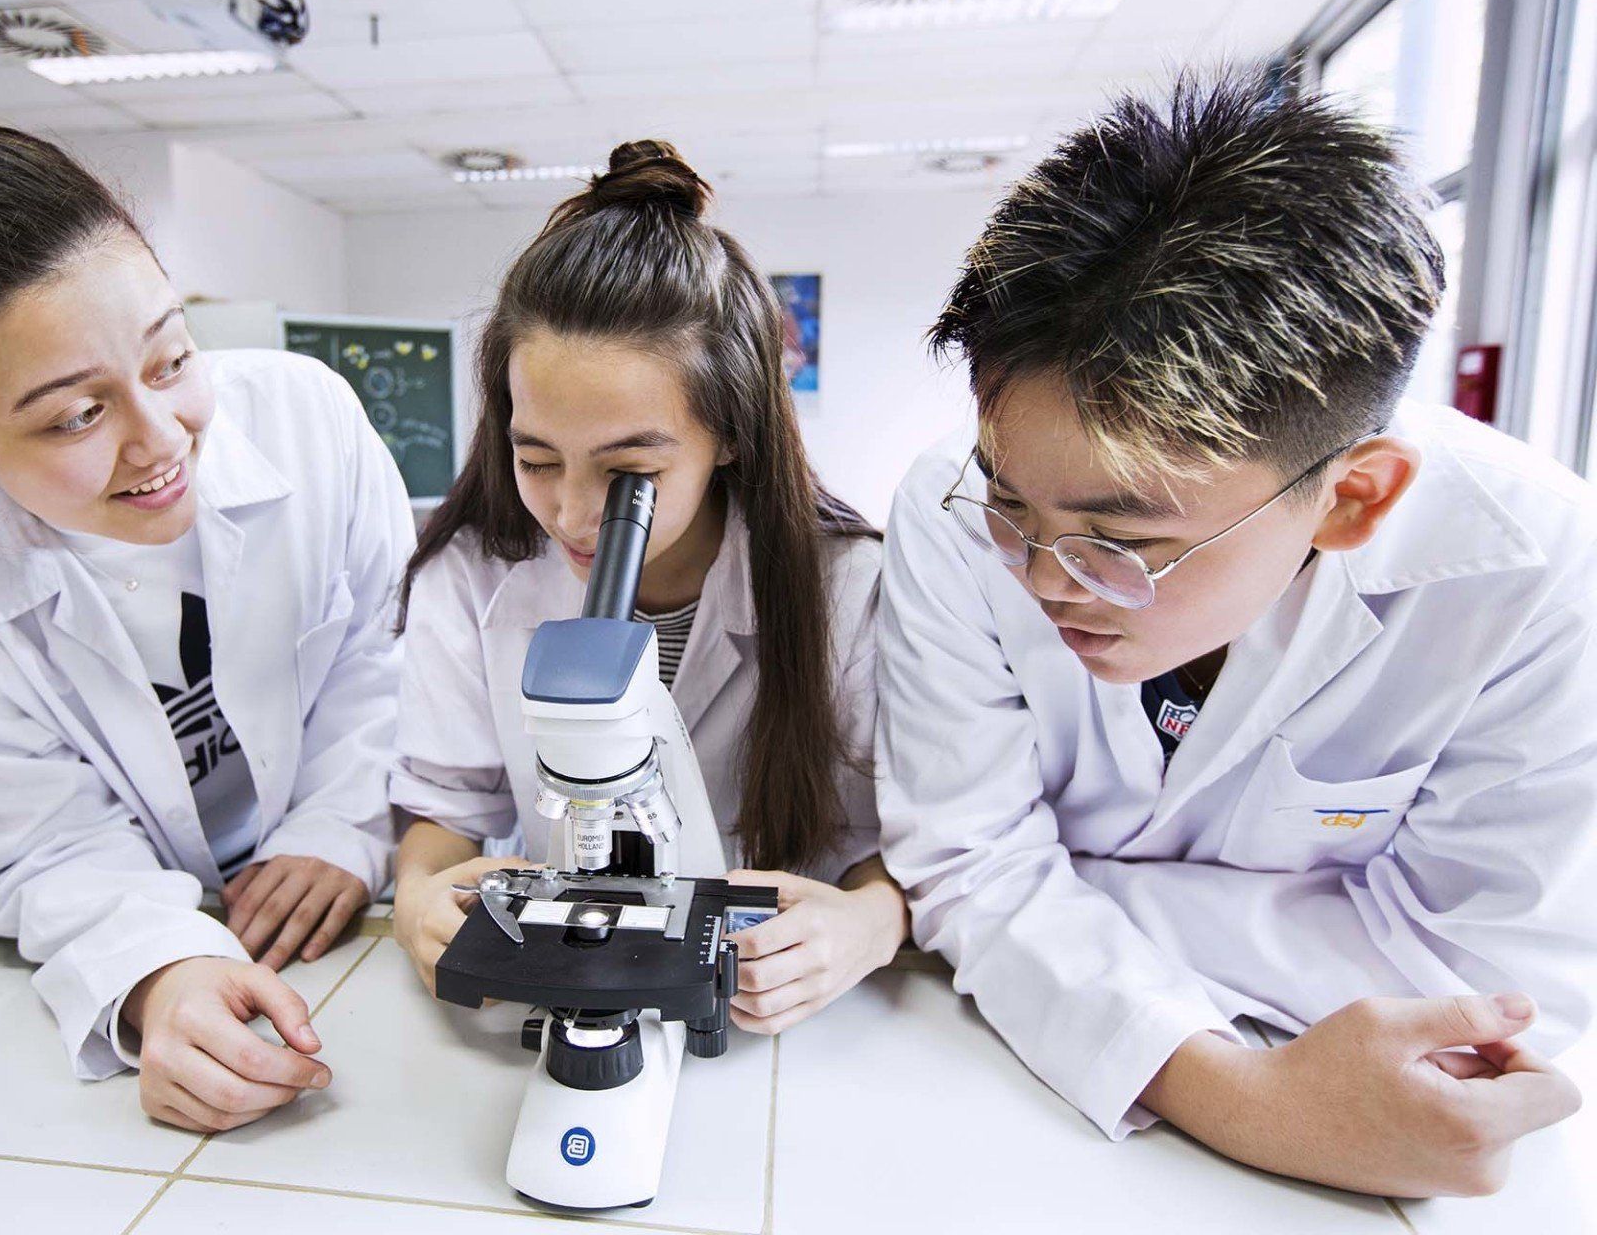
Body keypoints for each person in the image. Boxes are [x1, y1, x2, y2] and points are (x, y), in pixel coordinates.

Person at [877, 73, 1593, 1197]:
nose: (1047, 577)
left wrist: (1054, 892)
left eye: (1120, 539)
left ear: (1354, 496)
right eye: (1014, 507)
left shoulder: (1543, 580)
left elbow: (1479, 996)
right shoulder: (945, 508)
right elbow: (966, 858)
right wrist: (1247, 1098)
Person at [0, 113, 412, 1134]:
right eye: (76, 415)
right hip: (150, 916)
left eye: (170, 359)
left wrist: (342, 823)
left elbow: (383, 653)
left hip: (351, 902)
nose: (162, 444)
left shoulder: (307, 418)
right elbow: (34, 841)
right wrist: (160, 969)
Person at [388, 141, 907, 1036]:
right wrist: (418, 901)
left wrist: (869, 925)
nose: (574, 513)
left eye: (629, 470)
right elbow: (445, 810)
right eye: (535, 458)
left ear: (732, 435)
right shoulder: (469, 576)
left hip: (782, 1017)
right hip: (569, 972)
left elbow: (894, 852)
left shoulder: (844, 586)